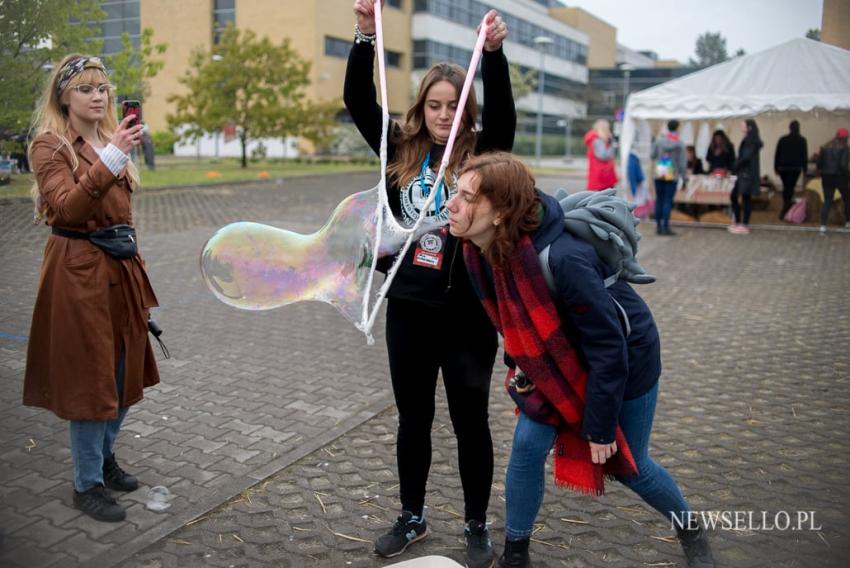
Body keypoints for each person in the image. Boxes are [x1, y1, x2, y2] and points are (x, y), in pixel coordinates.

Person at [445, 152, 715, 568]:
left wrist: (601, 427)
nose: (452, 204)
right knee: (527, 446)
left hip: (626, 357)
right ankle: (516, 555)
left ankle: (690, 528)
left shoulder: (564, 259)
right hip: (555, 363)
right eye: (454, 192)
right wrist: (522, 365)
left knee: (630, 465)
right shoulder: (480, 249)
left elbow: (609, 348)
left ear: (500, 213)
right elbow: (517, 322)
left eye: (466, 197)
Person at [344, 2, 515, 565]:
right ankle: (412, 517)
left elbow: (507, 118)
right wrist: (366, 34)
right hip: (410, 311)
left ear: (465, 109)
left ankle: (475, 525)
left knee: (471, 423)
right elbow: (357, 101)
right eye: (434, 105)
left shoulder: (483, 157)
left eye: (452, 105)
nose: (443, 114)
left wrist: (492, 55)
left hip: (468, 316)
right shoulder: (399, 151)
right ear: (422, 107)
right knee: (413, 419)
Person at [23, 54, 159, 523]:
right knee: (91, 381)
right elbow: (65, 209)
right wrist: (113, 155)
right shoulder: (50, 146)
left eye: (102, 87)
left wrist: (139, 281)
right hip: (77, 274)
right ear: (64, 96)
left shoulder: (109, 140)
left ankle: (103, 458)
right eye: (85, 88)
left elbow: (123, 217)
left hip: (120, 272)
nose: (98, 95)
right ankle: (87, 484)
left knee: (123, 374)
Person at [651, 120, 687, 236]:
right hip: (673, 175)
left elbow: (652, 155)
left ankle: (658, 227)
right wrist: (684, 178)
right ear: (677, 128)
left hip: (659, 173)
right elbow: (682, 163)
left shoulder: (659, 140)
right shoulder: (680, 143)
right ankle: (665, 226)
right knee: (667, 201)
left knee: (659, 200)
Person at [728, 119, 763, 235]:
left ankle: (741, 223)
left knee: (736, 197)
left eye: (743, 125)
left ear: (749, 128)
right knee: (745, 198)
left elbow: (745, 158)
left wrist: (735, 167)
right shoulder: (751, 141)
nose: (741, 127)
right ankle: (742, 223)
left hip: (745, 174)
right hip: (746, 173)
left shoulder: (750, 141)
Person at [816, 128, 850, 235]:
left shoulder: (825, 147)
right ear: (845, 138)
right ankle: (848, 223)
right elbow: (843, 165)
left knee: (827, 201)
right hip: (840, 177)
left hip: (826, 177)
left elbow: (819, 164)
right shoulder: (845, 148)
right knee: (847, 199)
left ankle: (823, 227)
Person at [774, 120, 808, 220]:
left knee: (786, 187)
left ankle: (786, 207)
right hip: (795, 168)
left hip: (783, 168)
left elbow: (777, 154)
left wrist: (775, 167)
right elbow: (804, 156)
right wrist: (805, 169)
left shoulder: (783, 139)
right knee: (790, 188)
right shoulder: (802, 140)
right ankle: (786, 208)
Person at [583, 119, 618, 191]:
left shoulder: (596, 140)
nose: (609, 131)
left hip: (600, 176)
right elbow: (604, 155)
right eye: (608, 129)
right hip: (602, 177)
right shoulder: (597, 140)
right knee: (606, 200)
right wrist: (612, 146)